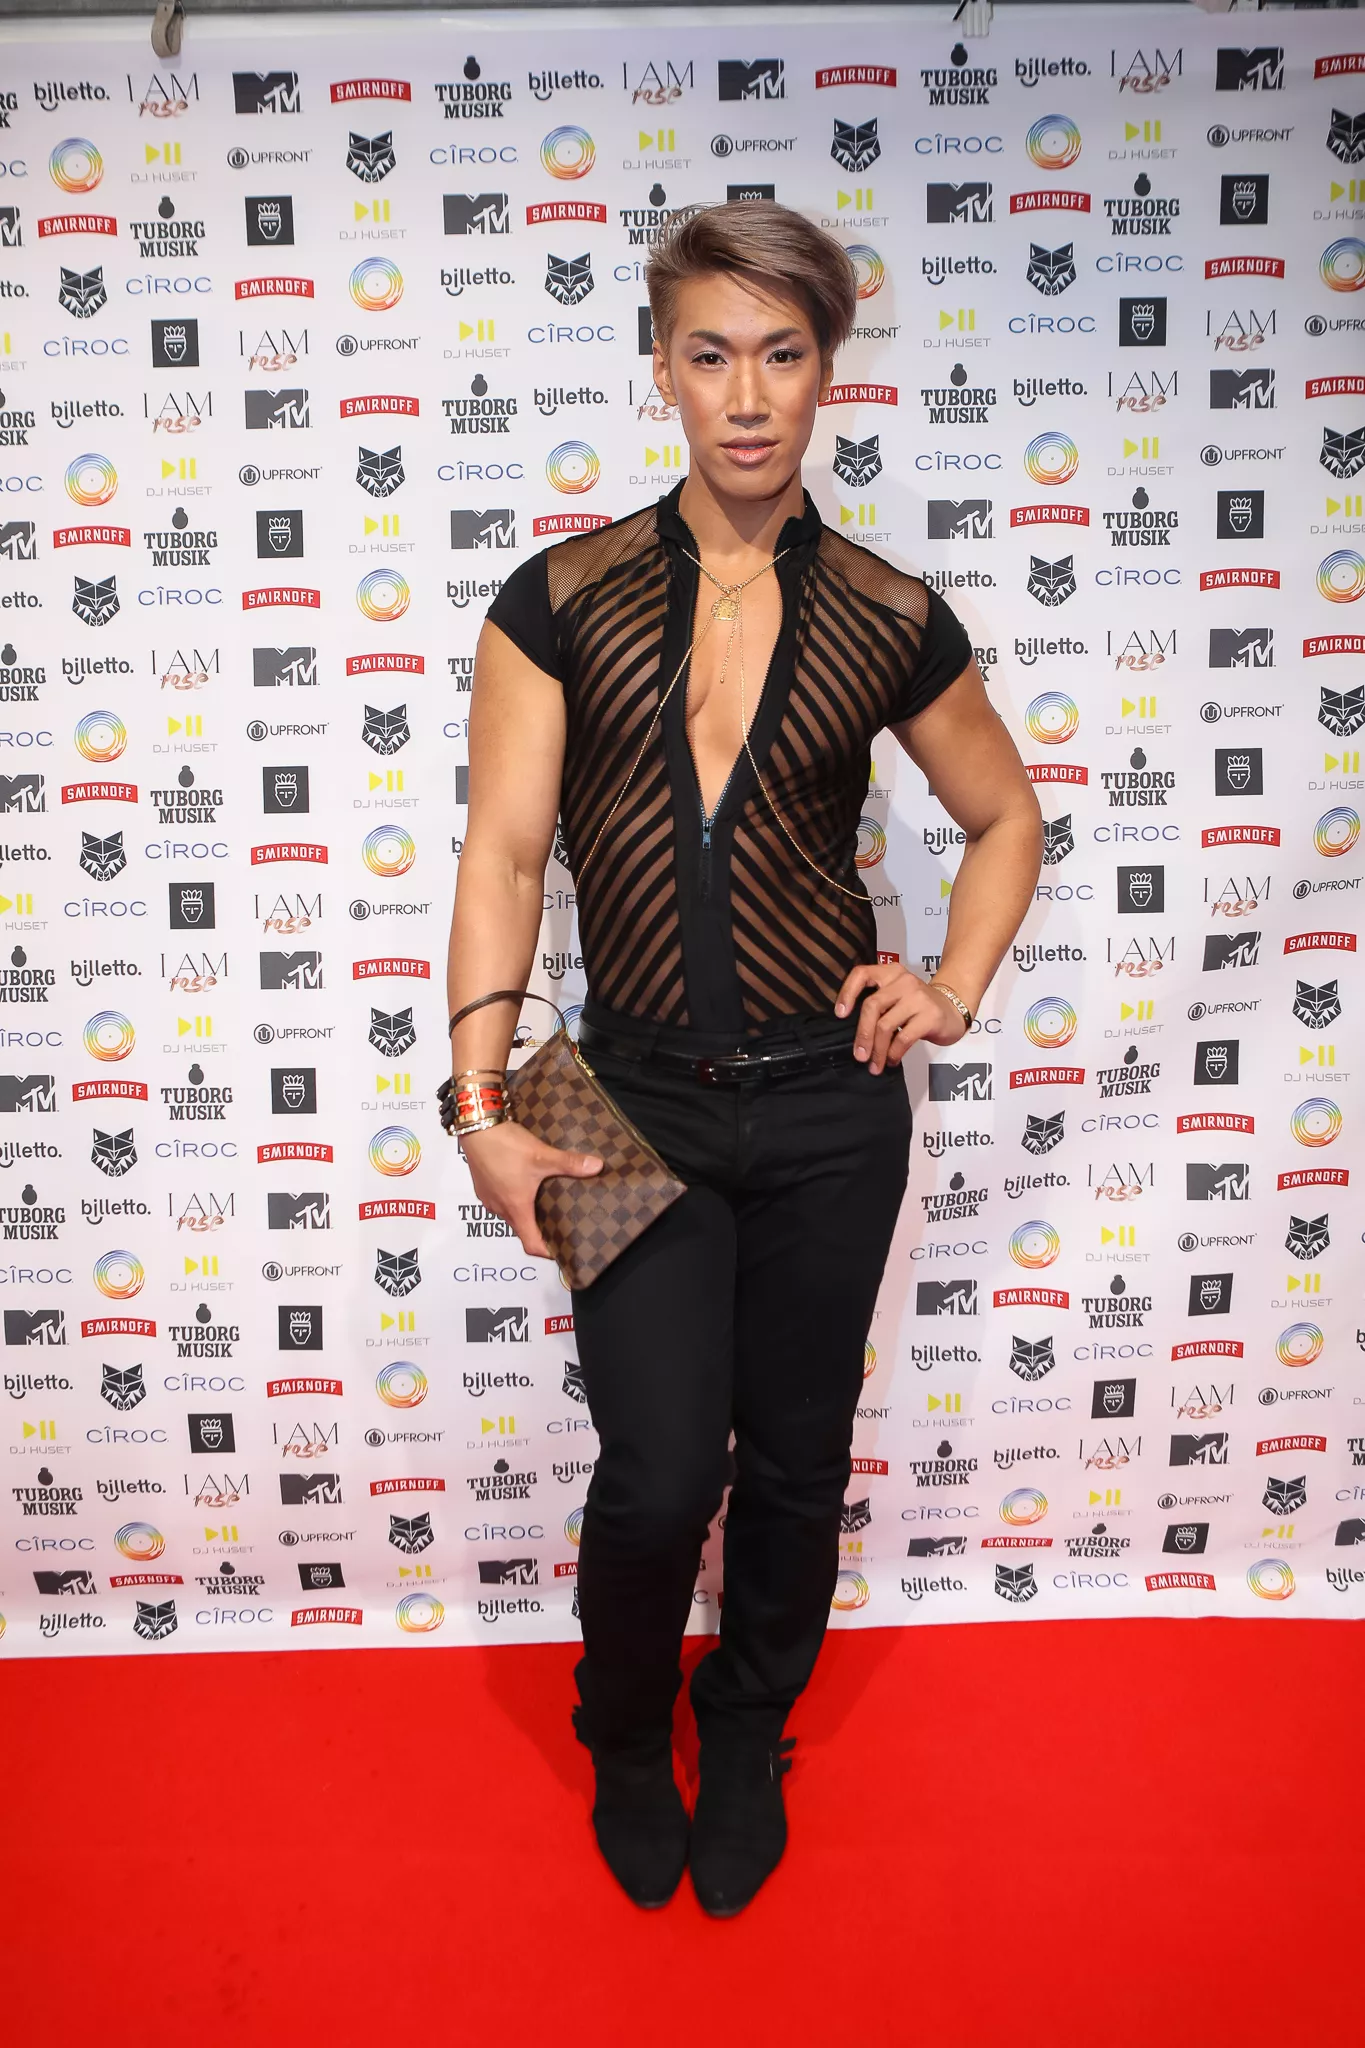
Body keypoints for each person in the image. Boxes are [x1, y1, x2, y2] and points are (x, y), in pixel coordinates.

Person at [443, 201, 1042, 1916]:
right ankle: (629, 1732)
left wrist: (951, 984)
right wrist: (479, 1110)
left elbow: (1006, 818)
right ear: (662, 371)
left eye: (783, 354)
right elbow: (503, 857)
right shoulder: (558, 599)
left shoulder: (887, 612)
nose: (749, 395)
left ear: (827, 371)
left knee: (793, 1461)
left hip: (827, 1107)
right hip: (619, 1097)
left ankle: (750, 1720)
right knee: (653, 1477)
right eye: (711, 354)